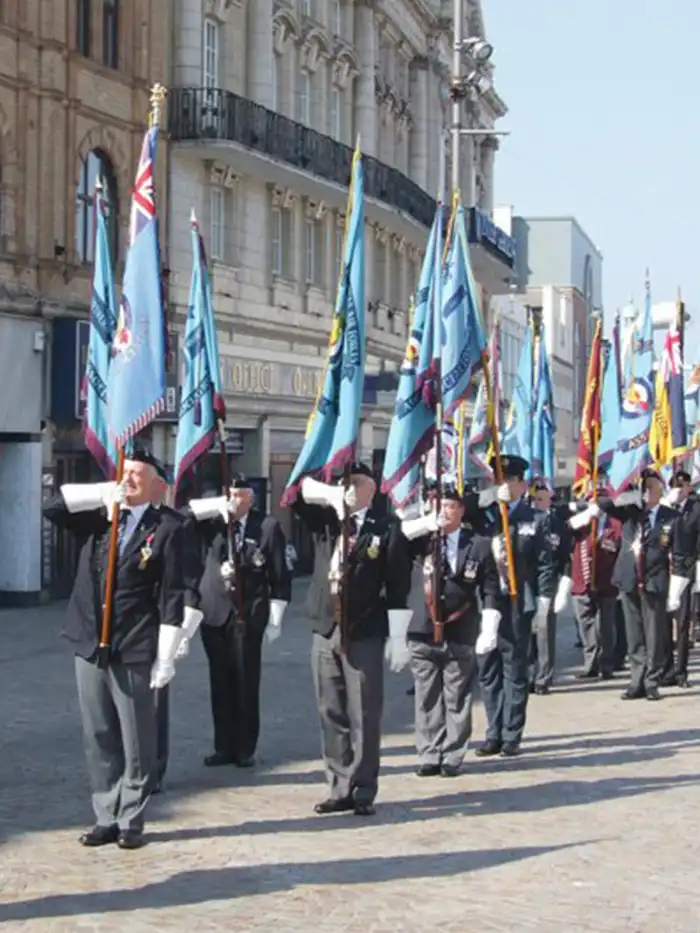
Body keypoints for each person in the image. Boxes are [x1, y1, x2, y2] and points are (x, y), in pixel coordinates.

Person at [43, 449, 186, 849]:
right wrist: (104, 493)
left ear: (158, 484)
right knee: (99, 733)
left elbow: (172, 594)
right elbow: (52, 508)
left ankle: (131, 819)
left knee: (136, 736)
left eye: (140, 473)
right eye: (126, 472)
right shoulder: (100, 516)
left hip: (134, 641)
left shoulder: (168, 528)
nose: (131, 479)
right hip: (90, 639)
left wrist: (167, 653)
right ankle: (105, 813)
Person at [294, 462, 412, 815]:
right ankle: (339, 784)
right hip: (325, 626)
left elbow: (398, 585)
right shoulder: (327, 521)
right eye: (343, 482)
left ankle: (363, 787)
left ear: (371, 490)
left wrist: (398, 636)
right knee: (330, 711)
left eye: (354, 482)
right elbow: (294, 494)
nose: (346, 488)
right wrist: (329, 494)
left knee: (363, 712)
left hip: (364, 628)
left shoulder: (387, 528)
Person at [184, 476, 291, 768]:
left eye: (238, 495)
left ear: (251, 498)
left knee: (244, 682)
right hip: (215, 613)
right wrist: (215, 506)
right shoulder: (213, 524)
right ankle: (223, 746)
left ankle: (245, 748)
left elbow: (279, 576)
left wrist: (275, 619)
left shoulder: (267, 527)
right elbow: (184, 516)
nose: (233, 499)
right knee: (219, 683)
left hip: (247, 614)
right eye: (228, 494)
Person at [401, 483, 500, 776]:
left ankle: (453, 754)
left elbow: (490, 587)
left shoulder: (478, 544)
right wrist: (424, 521)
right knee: (427, 696)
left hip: (460, 627)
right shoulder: (422, 539)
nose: (445, 512)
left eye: (451, 506)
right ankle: (429, 752)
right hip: (423, 628)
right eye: (441, 506)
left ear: (461, 511)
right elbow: (399, 536)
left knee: (457, 696)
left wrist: (490, 625)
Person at [471, 455, 555, 756]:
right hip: (486, 601)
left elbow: (545, 563)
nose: (503, 485)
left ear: (522, 484)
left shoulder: (535, 519)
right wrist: (490, 498)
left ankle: (511, 733)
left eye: (509, 480)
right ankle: (492, 732)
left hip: (518, 602)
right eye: (498, 479)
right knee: (488, 668)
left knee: (514, 668)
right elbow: (464, 508)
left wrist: (545, 599)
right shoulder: (486, 515)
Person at [588, 468, 676, 700]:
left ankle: (652, 681)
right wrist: (628, 496)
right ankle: (636, 679)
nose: (647, 493)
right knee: (633, 633)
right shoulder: (630, 512)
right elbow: (603, 502)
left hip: (654, 581)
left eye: (651, 487)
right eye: (643, 488)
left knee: (653, 634)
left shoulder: (670, 516)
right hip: (628, 578)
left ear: (660, 490)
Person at [149, 469, 203, 793]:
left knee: (154, 702)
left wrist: (182, 632)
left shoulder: (175, 526)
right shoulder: (116, 519)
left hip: (161, 622)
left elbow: (190, 581)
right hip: (123, 624)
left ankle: (152, 769)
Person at [568, 476, 622, 680]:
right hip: (582, 581)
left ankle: (607, 664)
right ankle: (590, 664)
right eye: (593, 501)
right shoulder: (580, 524)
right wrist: (582, 516)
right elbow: (563, 531)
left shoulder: (615, 526)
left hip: (606, 583)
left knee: (606, 626)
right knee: (586, 625)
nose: (596, 504)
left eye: (600, 501)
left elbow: (619, 553)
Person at [529, 481, 573, 694]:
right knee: (528, 632)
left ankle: (543, 677)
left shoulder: (558, 524)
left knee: (545, 631)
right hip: (528, 583)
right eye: (535, 498)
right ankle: (529, 674)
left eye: (541, 498)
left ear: (549, 499)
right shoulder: (525, 520)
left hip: (549, 581)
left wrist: (564, 584)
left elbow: (565, 556)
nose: (537, 502)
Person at [661, 469, 700, 687]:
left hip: (684, 571)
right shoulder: (665, 509)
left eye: (683, 486)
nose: (680, 490)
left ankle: (681, 671)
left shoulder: (696, 509)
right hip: (664, 571)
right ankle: (666, 669)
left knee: (683, 623)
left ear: (688, 487)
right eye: (676, 486)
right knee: (664, 622)